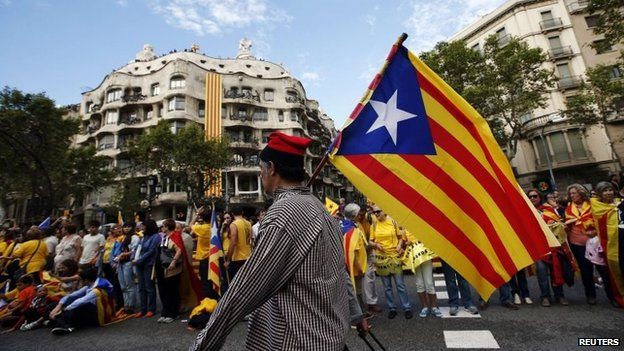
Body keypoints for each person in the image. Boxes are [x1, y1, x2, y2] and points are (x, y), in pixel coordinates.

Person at [190, 132, 349, 350]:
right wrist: (356, 314)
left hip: (298, 341)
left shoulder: (282, 214)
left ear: (271, 168)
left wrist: (204, 344)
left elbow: (245, 289)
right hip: (331, 336)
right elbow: (341, 272)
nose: (261, 175)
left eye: (261, 170)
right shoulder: (320, 208)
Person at [528, 189, 573, 307]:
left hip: (553, 246)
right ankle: (545, 296)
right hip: (538, 247)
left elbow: (558, 224)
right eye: (530, 197)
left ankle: (560, 295)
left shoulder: (548, 209)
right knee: (542, 272)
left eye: (535, 196)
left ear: (539, 197)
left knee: (556, 270)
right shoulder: (527, 212)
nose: (533, 198)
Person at [155, 219, 203, 323]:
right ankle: (165, 312)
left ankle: (173, 313)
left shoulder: (176, 237)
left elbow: (180, 250)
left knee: (172, 291)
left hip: (172, 268)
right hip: (162, 267)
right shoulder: (165, 237)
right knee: (164, 291)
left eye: (163, 226)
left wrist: (173, 261)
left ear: (167, 227)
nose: (161, 228)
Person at [369, 206, 412, 319]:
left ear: (384, 211)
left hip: (394, 256)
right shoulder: (373, 225)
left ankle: (407, 307)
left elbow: (400, 237)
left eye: (378, 211)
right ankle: (392, 308)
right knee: (387, 286)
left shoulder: (393, 222)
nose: (376, 214)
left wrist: (399, 245)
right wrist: (376, 245)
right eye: (374, 212)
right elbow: (370, 241)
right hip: (381, 258)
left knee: (400, 284)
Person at [565, 184, 604, 305]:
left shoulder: (592, 204)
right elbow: (567, 224)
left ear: (581, 193)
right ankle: (590, 295)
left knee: (602, 268)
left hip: (595, 240)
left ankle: (612, 294)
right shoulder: (569, 208)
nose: (572, 195)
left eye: (574, 193)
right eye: (570, 194)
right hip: (577, 242)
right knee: (585, 270)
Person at [49, 267, 114, 335]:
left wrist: (63, 310)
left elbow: (81, 301)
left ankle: (66, 325)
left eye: (81, 280)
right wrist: (58, 306)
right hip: (94, 308)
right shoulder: (91, 283)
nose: (80, 281)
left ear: (86, 280)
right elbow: (72, 295)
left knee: (77, 305)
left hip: (102, 314)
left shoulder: (98, 288)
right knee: (66, 300)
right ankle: (60, 320)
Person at [589, 181, 624, 307]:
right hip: (608, 244)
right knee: (611, 271)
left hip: (622, 239)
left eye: (610, 190)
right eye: (604, 190)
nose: (608, 193)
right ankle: (616, 296)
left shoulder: (620, 202)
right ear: (599, 194)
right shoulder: (597, 206)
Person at [402, 228, 440, 318]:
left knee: (429, 283)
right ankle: (424, 307)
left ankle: (434, 307)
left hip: (425, 256)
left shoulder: (421, 224)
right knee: (419, 283)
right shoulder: (405, 229)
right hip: (414, 258)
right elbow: (404, 243)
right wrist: (406, 244)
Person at [340, 204, 368, 310]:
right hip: (353, 267)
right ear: (355, 215)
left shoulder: (342, 225)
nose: (360, 215)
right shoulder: (352, 229)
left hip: (344, 265)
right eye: (358, 213)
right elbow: (353, 252)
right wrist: (360, 268)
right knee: (356, 290)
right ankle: (360, 314)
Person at [111, 221, 140, 316]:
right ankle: (126, 305)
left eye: (129, 227)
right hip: (120, 263)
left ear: (133, 227)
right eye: (125, 227)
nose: (126, 228)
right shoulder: (123, 238)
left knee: (129, 285)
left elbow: (134, 251)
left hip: (128, 262)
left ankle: (131, 306)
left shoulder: (134, 237)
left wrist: (123, 254)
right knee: (123, 287)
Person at [356, 206, 381, 315]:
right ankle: (358, 306)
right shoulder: (352, 224)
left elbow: (371, 240)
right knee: (356, 282)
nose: (360, 215)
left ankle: (372, 303)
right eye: (358, 213)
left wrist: (371, 246)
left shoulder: (368, 221)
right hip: (356, 256)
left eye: (362, 213)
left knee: (369, 279)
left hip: (368, 254)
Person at [132, 220, 160, 318]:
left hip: (148, 264)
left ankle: (151, 309)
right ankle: (143, 309)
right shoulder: (144, 236)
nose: (142, 228)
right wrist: (133, 257)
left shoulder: (156, 237)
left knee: (149, 287)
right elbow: (137, 248)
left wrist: (138, 260)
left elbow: (151, 251)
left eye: (143, 226)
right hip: (139, 264)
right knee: (141, 287)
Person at [191, 207, 215, 299]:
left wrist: (197, 214)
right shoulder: (214, 228)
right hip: (213, 256)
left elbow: (190, 225)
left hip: (204, 258)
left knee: (205, 281)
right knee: (213, 279)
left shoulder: (202, 228)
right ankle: (214, 298)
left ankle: (207, 300)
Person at [225, 207, 252, 280]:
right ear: (242, 212)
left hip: (238, 257)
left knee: (236, 281)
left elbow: (233, 242)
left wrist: (228, 260)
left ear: (232, 214)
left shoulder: (234, 224)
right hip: (248, 255)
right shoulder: (248, 223)